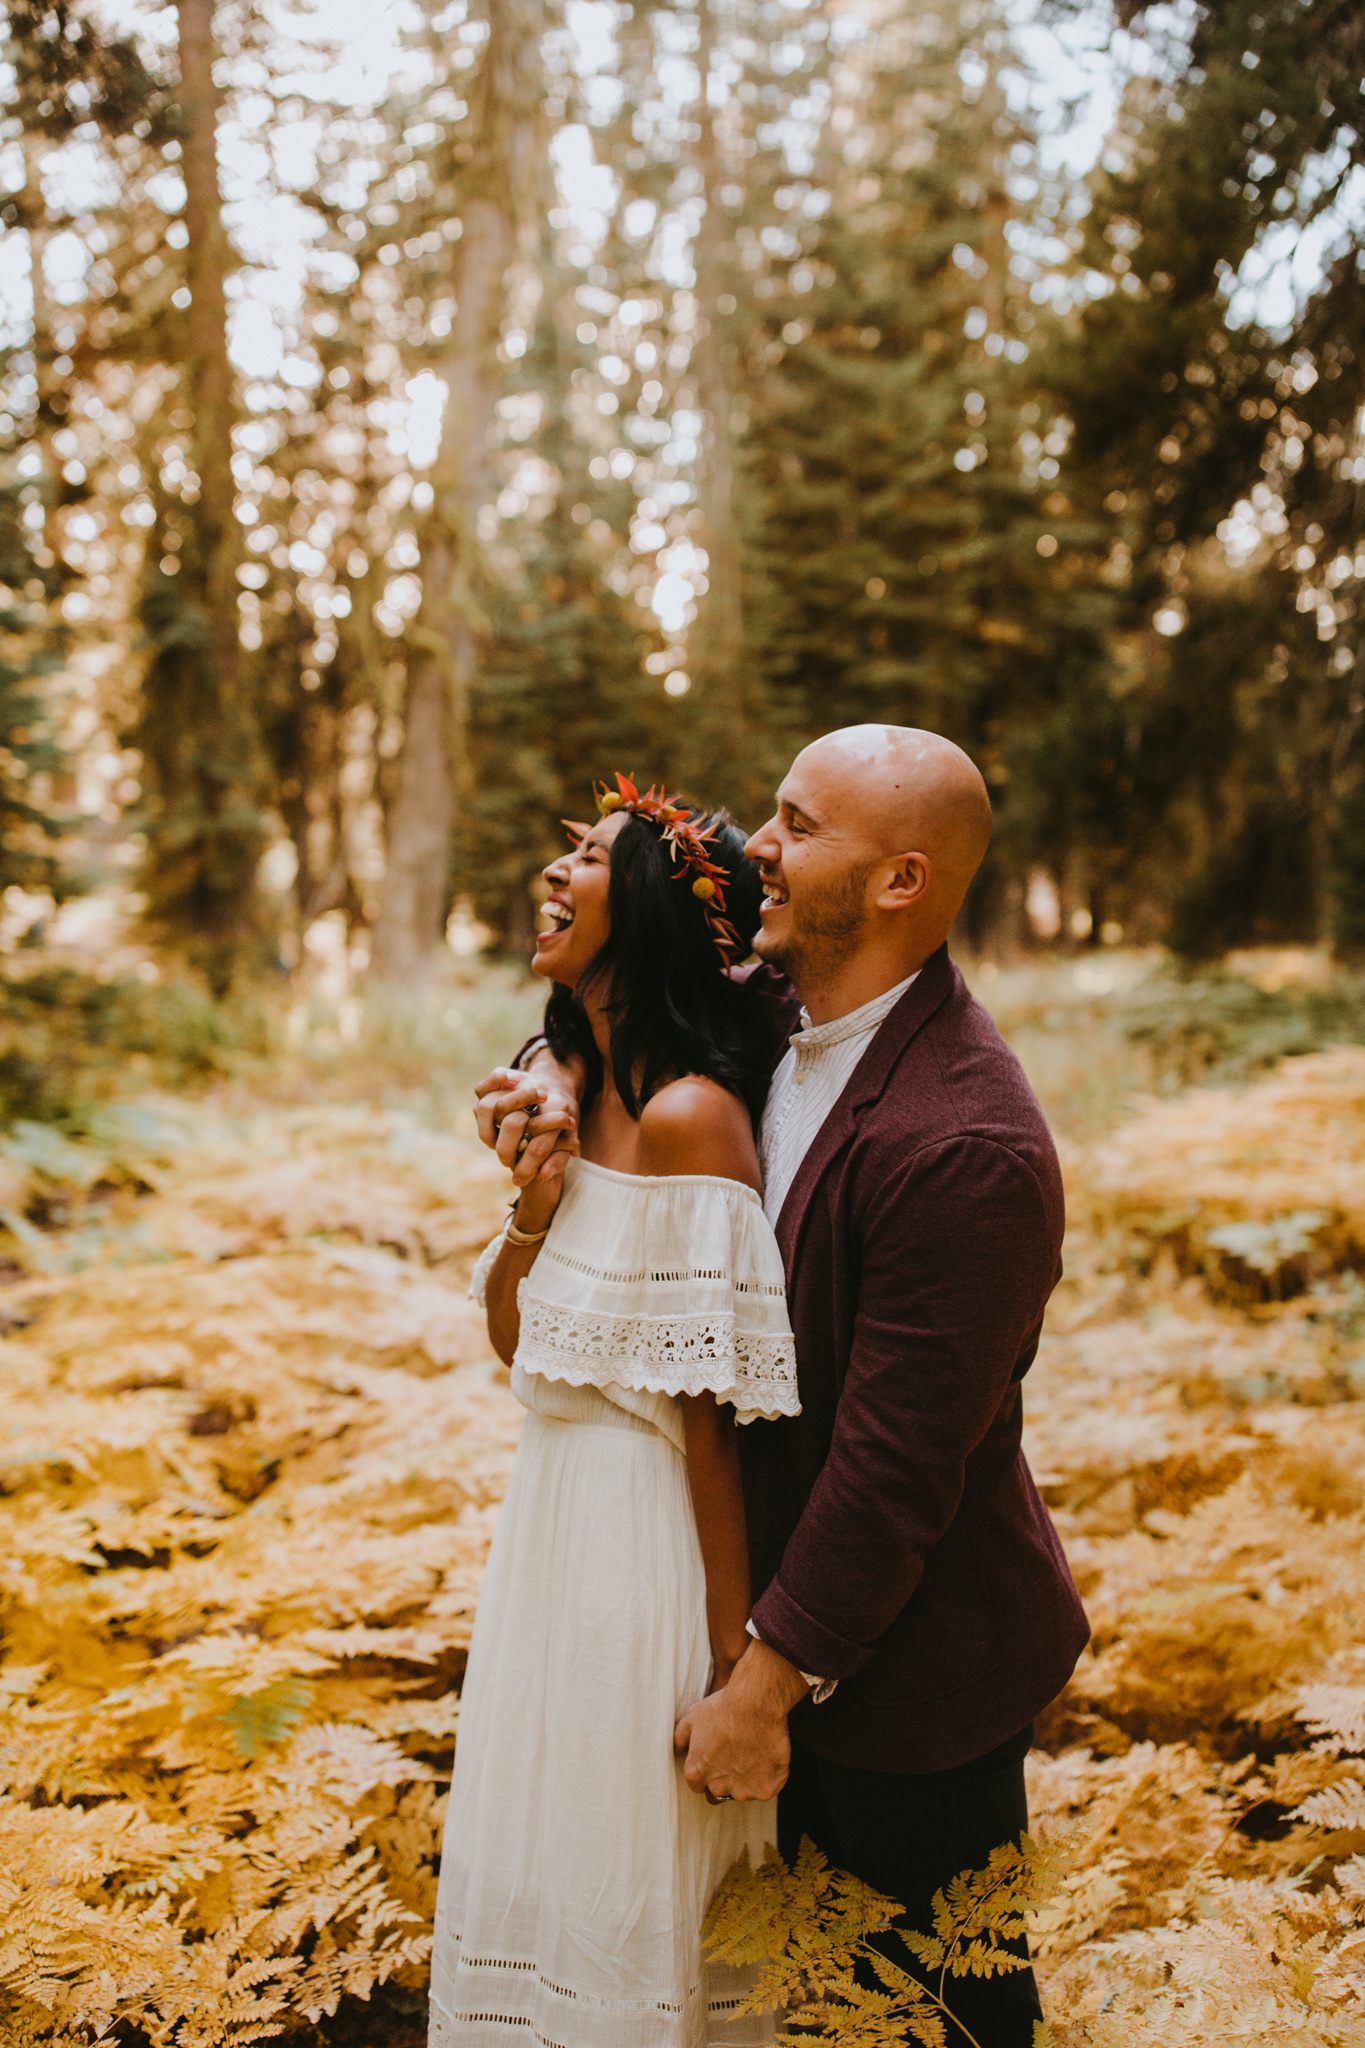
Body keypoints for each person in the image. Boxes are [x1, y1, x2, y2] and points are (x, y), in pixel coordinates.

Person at [478, 726, 1090, 2048]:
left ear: (899, 883)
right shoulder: (770, 1019)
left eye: (798, 826)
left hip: (914, 1674)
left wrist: (762, 1688)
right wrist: (546, 1077)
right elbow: (629, 1024)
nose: (760, 843)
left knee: (943, 2013)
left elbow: (894, 1467)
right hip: (738, 1611)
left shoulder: (968, 1141)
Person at [428, 776, 802, 2048]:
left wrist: (730, 1668)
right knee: (534, 1876)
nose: (552, 871)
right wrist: (532, 1205)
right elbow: (515, 1347)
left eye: (583, 855)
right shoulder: (551, 1082)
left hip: (649, 1553)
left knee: (633, 1897)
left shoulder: (696, 1118)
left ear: (641, 902)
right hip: (543, 1535)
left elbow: (712, 1429)